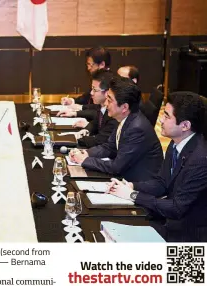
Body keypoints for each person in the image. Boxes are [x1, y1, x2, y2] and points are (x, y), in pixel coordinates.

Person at [109, 92, 207, 242]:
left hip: (188, 236)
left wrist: (132, 195)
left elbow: (176, 208)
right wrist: (131, 186)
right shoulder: (176, 142)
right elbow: (162, 183)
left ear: (185, 125)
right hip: (169, 221)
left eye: (167, 116)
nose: (161, 119)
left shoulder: (200, 159)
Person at [69, 76, 163, 181]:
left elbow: (117, 167)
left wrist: (86, 160)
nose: (106, 103)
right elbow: (109, 147)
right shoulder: (124, 118)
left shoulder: (136, 128)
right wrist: (87, 153)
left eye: (109, 100)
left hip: (139, 184)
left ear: (124, 107)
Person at [75, 70, 118, 148]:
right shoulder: (101, 106)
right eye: (92, 89)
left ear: (107, 93)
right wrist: (87, 130)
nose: (91, 93)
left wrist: (75, 138)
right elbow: (95, 123)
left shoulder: (114, 112)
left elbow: (100, 140)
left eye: (95, 90)